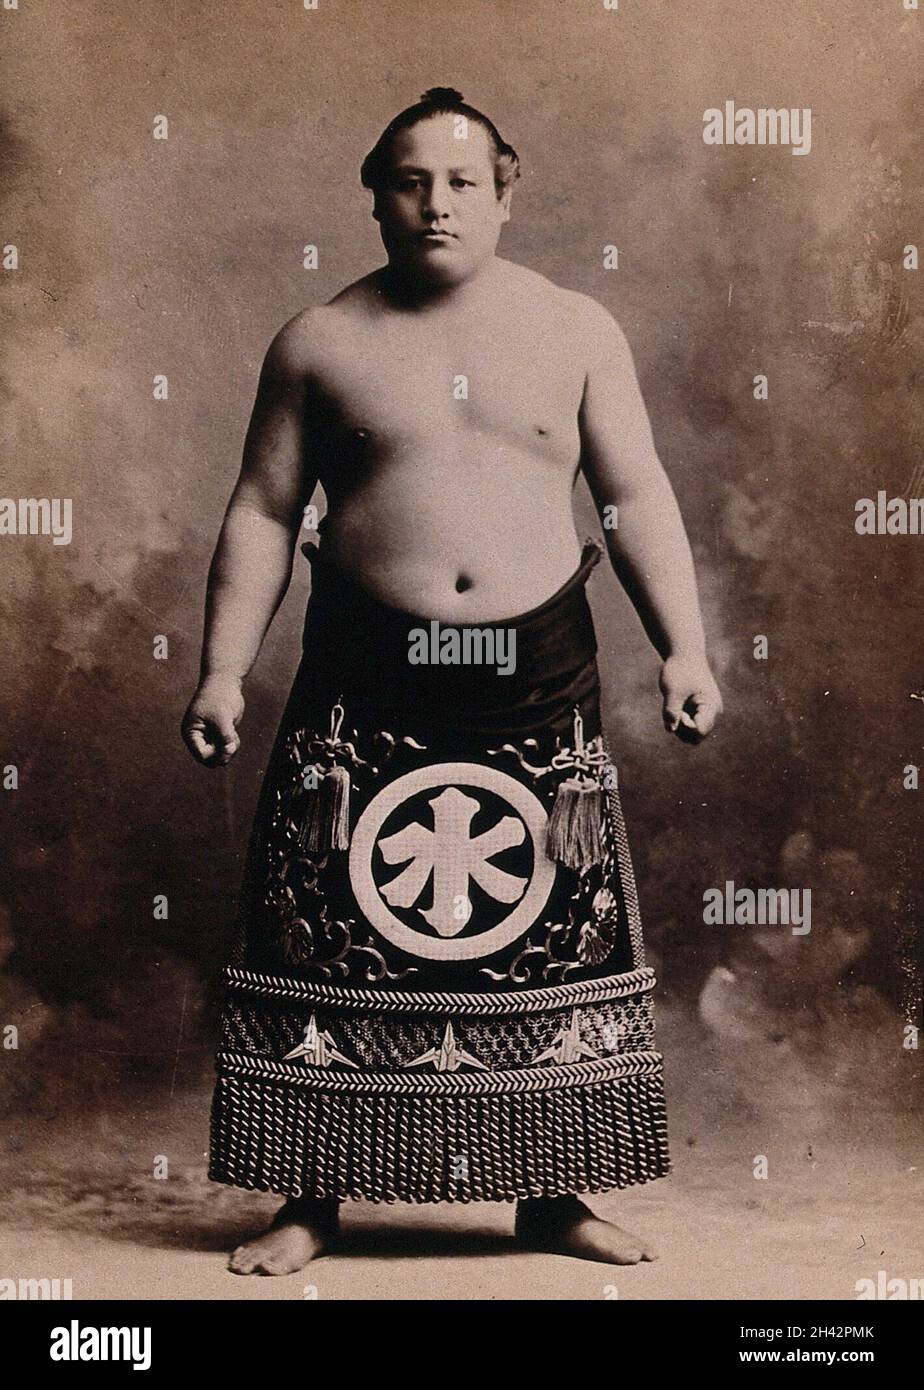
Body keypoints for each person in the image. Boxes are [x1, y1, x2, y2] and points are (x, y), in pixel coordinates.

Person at [182, 87, 722, 1274]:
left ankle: (552, 1197)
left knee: (550, 925)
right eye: (411, 181)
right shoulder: (318, 339)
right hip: (367, 674)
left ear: (506, 197)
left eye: (463, 182)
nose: (436, 204)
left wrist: (684, 645)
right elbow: (265, 510)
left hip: (531, 668)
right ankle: (312, 1198)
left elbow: (634, 499)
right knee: (330, 924)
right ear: (376, 197)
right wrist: (223, 672)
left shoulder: (578, 329)